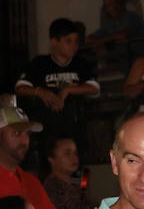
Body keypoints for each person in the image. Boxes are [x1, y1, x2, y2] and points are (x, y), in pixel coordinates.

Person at [16, 18, 99, 147]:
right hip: (46, 126)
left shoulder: (81, 63)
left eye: (76, 41)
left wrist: (67, 90)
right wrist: (40, 92)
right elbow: (20, 88)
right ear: (54, 42)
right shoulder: (39, 63)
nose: (74, 45)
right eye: (68, 41)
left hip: (75, 125)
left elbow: (94, 88)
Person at [40, 134, 95, 209]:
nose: (73, 157)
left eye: (75, 153)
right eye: (67, 153)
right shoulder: (53, 188)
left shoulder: (74, 185)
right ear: (51, 158)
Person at [90, 0, 144, 76]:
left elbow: (123, 35)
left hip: (138, 60)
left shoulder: (133, 17)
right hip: (119, 61)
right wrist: (99, 42)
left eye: (113, 4)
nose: (111, 8)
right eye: (107, 5)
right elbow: (91, 37)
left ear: (121, 4)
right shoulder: (109, 23)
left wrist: (101, 41)